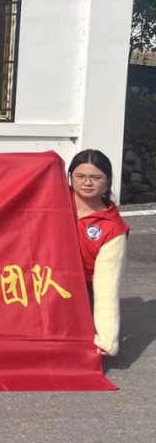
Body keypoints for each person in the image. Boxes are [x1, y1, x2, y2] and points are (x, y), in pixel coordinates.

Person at [70, 150, 128, 357]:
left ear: (108, 181)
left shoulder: (113, 230)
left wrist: (107, 338)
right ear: (70, 177)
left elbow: (107, 287)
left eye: (96, 177)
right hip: (42, 278)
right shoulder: (53, 203)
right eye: (80, 176)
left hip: (80, 289)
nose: (87, 183)